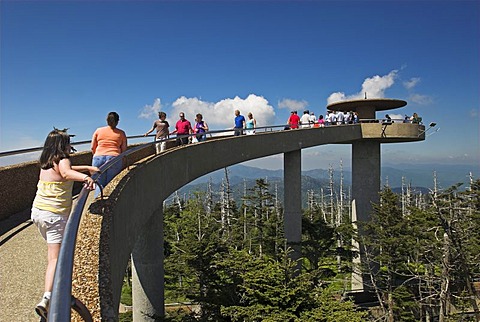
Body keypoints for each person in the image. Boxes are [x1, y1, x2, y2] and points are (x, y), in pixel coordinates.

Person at [32, 128, 99, 319]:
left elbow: (64, 171)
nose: (71, 146)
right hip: (54, 215)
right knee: (55, 258)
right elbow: (67, 173)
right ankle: (47, 299)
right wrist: (86, 177)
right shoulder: (63, 160)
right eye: (68, 142)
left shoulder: (46, 162)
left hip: (38, 212)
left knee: (53, 254)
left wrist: (86, 168)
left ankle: (52, 293)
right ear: (63, 145)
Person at [91, 112, 127, 196]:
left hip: (98, 158)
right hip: (114, 158)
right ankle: (108, 206)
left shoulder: (98, 131)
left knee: (98, 185)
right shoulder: (121, 133)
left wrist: (97, 156)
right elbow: (124, 151)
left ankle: (98, 206)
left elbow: (93, 148)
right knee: (111, 185)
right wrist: (124, 163)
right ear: (117, 121)